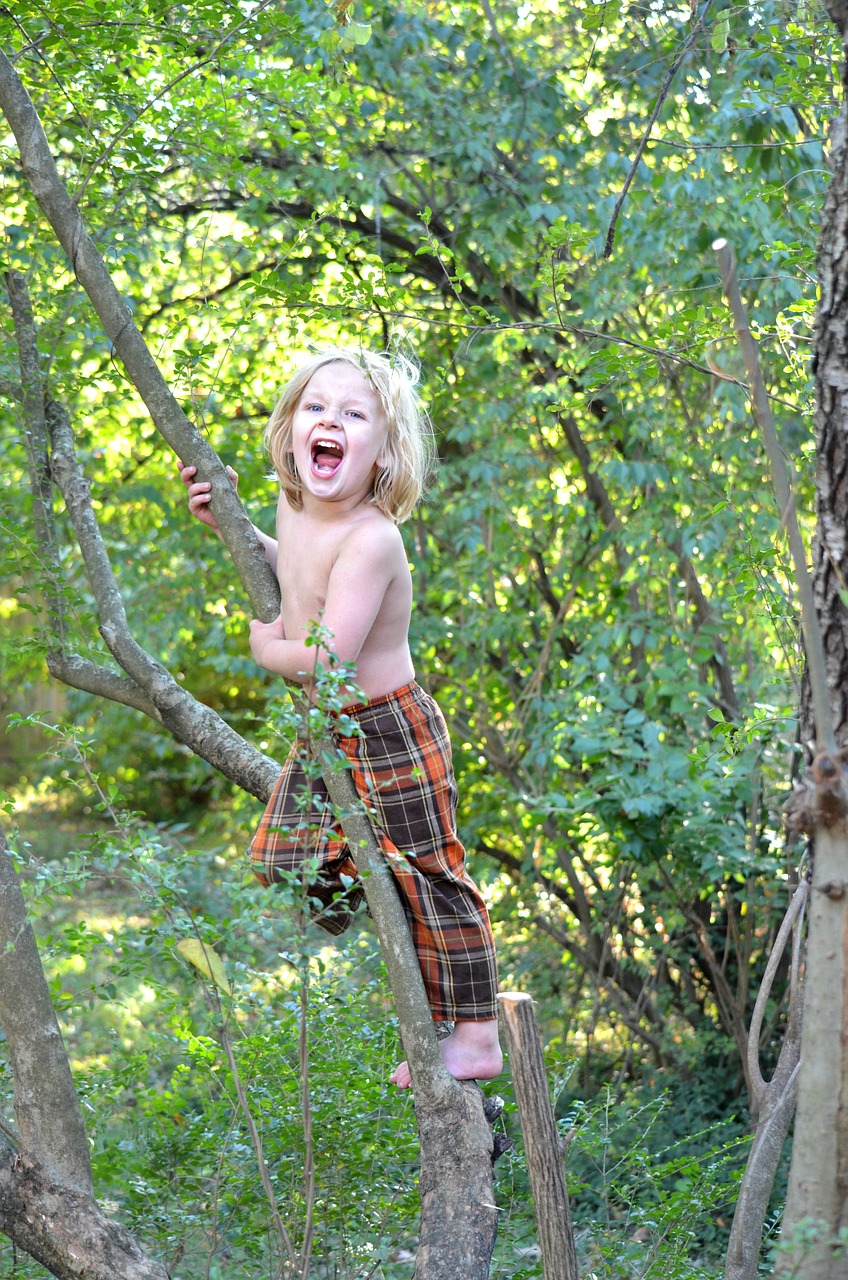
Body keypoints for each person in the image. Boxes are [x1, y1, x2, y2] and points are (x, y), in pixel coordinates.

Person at [179, 347, 501, 1089]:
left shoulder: (372, 537)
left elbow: (329, 661)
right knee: (285, 854)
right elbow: (291, 569)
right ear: (290, 427)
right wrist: (228, 522)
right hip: (332, 731)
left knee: (436, 876)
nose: (331, 422)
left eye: (354, 415)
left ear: (384, 453)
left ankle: (478, 1035)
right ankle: (381, 884)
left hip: (389, 726)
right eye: (316, 408)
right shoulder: (296, 507)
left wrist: (267, 648)